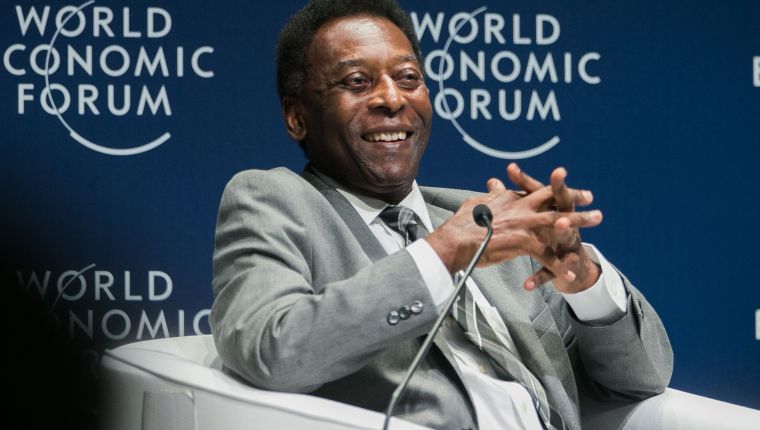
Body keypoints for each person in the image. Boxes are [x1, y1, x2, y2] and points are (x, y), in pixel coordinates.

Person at [210, 1, 673, 429]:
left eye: (408, 78)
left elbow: (640, 380)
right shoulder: (273, 200)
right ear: (297, 117)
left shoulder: (492, 221)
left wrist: (584, 281)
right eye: (357, 82)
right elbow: (271, 350)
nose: (392, 99)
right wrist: (444, 253)